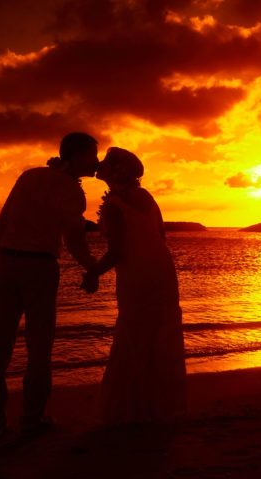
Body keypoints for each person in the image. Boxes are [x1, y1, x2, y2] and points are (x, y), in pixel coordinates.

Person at [0, 132, 99, 439]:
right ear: (76, 155)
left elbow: (3, 221)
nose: (97, 161)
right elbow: (75, 240)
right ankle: (32, 419)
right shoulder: (73, 193)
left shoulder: (30, 176)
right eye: (92, 155)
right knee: (39, 346)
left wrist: (0, 260)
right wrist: (93, 268)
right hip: (40, 267)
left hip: (8, 262)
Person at [82, 147, 186, 424]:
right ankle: (156, 405)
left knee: (134, 329)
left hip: (137, 273)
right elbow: (160, 236)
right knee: (158, 332)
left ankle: (131, 409)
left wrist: (93, 272)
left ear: (117, 171)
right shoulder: (147, 197)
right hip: (161, 270)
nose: (99, 165)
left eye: (105, 162)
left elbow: (117, 251)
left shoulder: (115, 204)